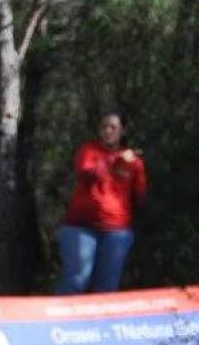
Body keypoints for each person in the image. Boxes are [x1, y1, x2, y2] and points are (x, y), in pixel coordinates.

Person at [56, 113, 147, 294]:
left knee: (107, 287)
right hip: (80, 227)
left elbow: (140, 196)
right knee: (77, 279)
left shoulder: (134, 163)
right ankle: (60, 321)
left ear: (122, 131)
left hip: (116, 231)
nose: (107, 131)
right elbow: (87, 175)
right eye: (104, 127)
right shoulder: (89, 151)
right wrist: (114, 159)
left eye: (113, 127)